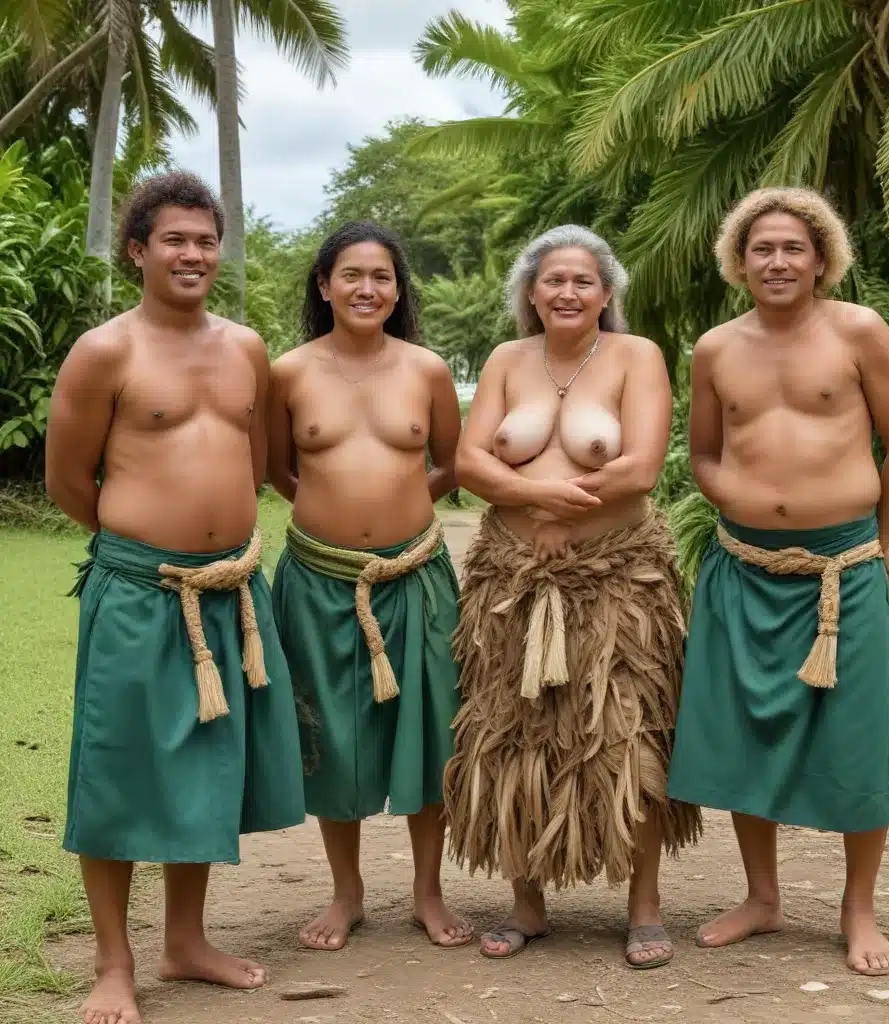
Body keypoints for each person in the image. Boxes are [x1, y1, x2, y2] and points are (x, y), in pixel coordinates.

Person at [45, 171, 306, 1024]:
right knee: (119, 769)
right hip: (137, 590)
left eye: (204, 239)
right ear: (138, 250)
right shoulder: (104, 351)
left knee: (205, 761)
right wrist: (142, 545)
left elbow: (256, 459)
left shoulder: (247, 348)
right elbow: (66, 482)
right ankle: (113, 962)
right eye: (174, 240)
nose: (193, 254)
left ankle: (186, 942)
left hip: (231, 588)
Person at [667, 186, 889, 977]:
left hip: (842, 570)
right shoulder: (715, 348)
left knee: (855, 733)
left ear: (821, 260)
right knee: (748, 730)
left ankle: (859, 907)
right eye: (761, 250)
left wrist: (879, 546)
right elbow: (704, 450)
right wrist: (730, 496)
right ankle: (762, 896)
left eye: (792, 249)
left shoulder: (859, 331)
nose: (777, 262)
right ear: (739, 263)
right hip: (744, 567)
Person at [444, 225, 703, 969]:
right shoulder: (505, 360)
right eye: (553, 280)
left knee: (632, 731)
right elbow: (469, 460)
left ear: (606, 294)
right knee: (510, 732)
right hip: (511, 583)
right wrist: (534, 499)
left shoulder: (636, 357)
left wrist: (556, 511)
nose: (567, 292)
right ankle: (527, 904)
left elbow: (642, 467)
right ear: (531, 292)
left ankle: (644, 907)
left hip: (621, 577)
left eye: (582, 281)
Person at [267, 221, 470, 952]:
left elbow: (450, 464)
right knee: (334, 731)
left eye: (381, 276)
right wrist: (336, 515)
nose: (366, 288)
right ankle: (346, 892)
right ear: (324, 286)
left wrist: (394, 512)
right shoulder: (288, 372)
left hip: (415, 575)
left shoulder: (427, 369)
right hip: (318, 579)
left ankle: (427, 890)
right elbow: (277, 468)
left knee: (430, 730)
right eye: (350, 274)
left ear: (397, 289)